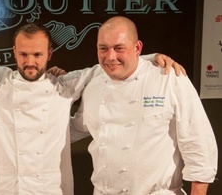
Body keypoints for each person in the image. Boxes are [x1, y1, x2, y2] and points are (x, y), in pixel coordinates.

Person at [0, 23, 184, 194]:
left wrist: (151, 57)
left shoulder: (65, 84)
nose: (31, 61)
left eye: (38, 54)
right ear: (14, 52)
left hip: (51, 190)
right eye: (25, 54)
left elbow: (106, 65)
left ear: (49, 54)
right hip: (8, 190)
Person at [70, 16, 218, 195]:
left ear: (137, 48)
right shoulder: (94, 84)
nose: (110, 57)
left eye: (119, 48)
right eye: (103, 48)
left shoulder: (169, 78)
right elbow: (75, 128)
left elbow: (199, 143)